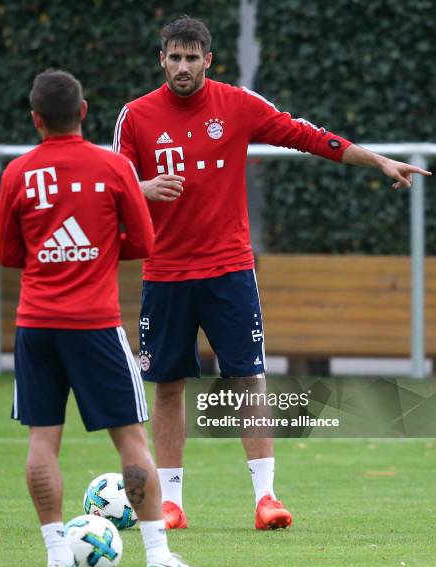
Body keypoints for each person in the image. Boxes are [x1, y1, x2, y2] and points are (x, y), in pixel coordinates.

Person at [112, 16, 431, 531]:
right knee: (168, 387)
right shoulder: (136, 117)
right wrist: (144, 189)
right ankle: (170, 503)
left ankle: (266, 498)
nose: (183, 66)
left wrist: (377, 162)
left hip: (230, 271)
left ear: (208, 60)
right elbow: (116, 182)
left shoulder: (237, 104)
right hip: (166, 273)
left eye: (193, 57)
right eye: (174, 57)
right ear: (162, 60)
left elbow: (306, 136)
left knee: (248, 379)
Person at [0, 69, 206, 567]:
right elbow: (145, 243)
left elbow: (8, 254)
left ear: (35, 118)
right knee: (131, 438)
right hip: (94, 325)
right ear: (84, 112)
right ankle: (158, 559)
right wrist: (100, 249)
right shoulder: (112, 169)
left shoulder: (17, 174)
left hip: (36, 327)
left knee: (43, 441)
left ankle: (55, 561)